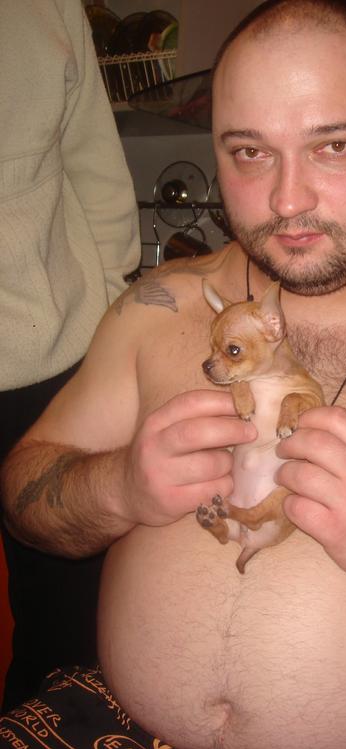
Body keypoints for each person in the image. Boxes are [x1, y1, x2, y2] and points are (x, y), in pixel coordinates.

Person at [0, 0, 346, 747]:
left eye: (334, 145)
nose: (287, 199)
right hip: (110, 726)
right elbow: (23, 491)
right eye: (249, 152)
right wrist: (118, 486)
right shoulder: (154, 307)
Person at [0, 0, 141, 710]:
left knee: (68, 630)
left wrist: (114, 321)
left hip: (59, 360)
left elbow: (96, 169)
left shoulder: (47, 7)